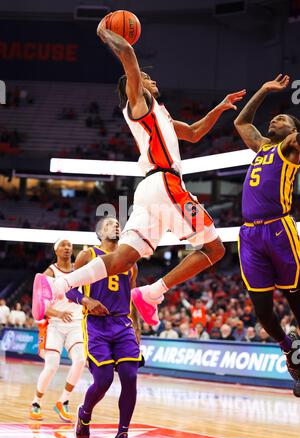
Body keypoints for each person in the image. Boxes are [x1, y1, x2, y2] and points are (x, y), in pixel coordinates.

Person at [32, 20, 246, 327]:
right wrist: (105, 32)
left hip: (149, 189)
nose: (149, 78)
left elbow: (196, 133)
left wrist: (220, 107)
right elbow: (129, 56)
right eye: (144, 76)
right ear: (133, 86)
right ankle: (152, 293)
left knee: (123, 259)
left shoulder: (161, 113)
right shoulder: (139, 105)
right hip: (166, 184)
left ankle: (57, 286)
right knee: (215, 247)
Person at [234, 74, 300, 394]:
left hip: (279, 229)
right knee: (262, 309)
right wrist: (262, 90)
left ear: (293, 131)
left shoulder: (291, 147)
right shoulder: (262, 146)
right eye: (275, 117)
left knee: (295, 298)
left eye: (283, 118)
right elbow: (242, 122)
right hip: (250, 235)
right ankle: (289, 349)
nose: (275, 119)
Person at [66, 217, 142, 438]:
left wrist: (137, 329)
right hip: (96, 326)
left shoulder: (131, 261)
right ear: (99, 232)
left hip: (123, 324)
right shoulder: (87, 255)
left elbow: (132, 299)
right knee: (104, 380)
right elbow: (69, 288)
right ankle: (85, 413)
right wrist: (86, 299)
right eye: (109, 223)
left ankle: (122, 435)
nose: (116, 225)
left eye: (118, 223)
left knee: (130, 377)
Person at [30, 239, 85, 422]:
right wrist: (58, 313)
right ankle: (36, 402)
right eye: (63, 245)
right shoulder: (49, 273)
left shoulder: (80, 271)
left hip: (76, 323)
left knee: (80, 360)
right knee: (52, 365)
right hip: (55, 324)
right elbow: (40, 305)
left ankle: (63, 401)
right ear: (56, 250)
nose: (68, 247)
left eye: (70, 245)